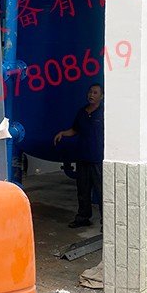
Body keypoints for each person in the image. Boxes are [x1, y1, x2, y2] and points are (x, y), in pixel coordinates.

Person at [53, 83, 104, 228]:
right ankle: (83, 218)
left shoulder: (104, 112)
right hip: (82, 157)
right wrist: (63, 133)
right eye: (90, 92)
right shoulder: (82, 112)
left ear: (101, 96)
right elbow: (75, 130)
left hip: (97, 159)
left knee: (101, 191)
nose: (91, 95)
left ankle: (106, 221)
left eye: (95, 93)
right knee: (83, 190)